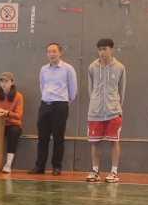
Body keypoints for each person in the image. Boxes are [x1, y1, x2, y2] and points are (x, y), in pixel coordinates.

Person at [28, 43, 77, 175]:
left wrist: (63, 102)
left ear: (60, 53)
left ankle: (56, 166)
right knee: (42, 138)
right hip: (45, 105)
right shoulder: (44, 69)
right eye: (49, 52)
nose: (51, 54)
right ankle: (40, 166)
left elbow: (73, 90)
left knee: (58, 138)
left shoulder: (68, 69)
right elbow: (42, 86)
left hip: (60, 106)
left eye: (54, 51)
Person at [85, 38, 126, 183]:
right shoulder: (92, 67)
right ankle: (95, 171)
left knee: (114, 142)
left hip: (113, 112)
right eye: (99, 49)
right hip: (95, 112)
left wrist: (115, 106)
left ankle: (114, 172)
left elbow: (121, 91)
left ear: (111, 50)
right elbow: (91, 90)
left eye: (105, 49)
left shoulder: (120, 67)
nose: (102, 52)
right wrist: (95, 103)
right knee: (95, 142)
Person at [0, 72, 24, 173]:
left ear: (12, 82)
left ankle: (8, 163)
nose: (3, 83)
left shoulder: (18, 96)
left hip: (13, 124)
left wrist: (7, 112)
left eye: (6, 81)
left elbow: (19, 115)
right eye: (2, 81)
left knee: (14, 132)